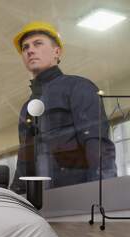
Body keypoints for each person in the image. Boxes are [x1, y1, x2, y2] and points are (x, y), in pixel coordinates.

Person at [9, 21, 116, 194]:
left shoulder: (78, 87)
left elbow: (97, 145)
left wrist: (104, 195)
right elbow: (24, 162)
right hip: (41, 203)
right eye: (25, 47)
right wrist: (16, 198)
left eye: (38, 43)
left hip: (78, 198)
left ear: (56, 52)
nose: (30, 50)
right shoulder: (27, 108)